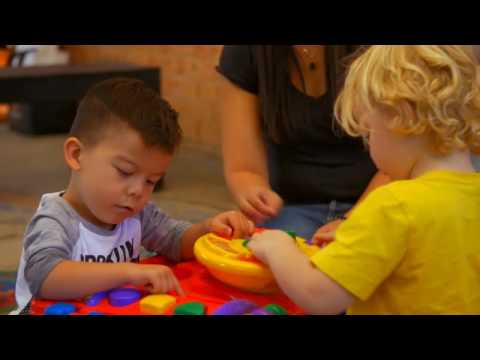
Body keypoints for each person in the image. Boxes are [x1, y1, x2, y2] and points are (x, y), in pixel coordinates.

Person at [247, 45, 480, 314]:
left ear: (399, 116)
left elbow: (319, 295)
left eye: (368, 133)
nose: (369, 147)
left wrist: (278, 248)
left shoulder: (393, 205)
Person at [12, 78, 254, 314]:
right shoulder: (56, 219)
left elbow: (175, 241)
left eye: (151, 181)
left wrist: (209, 229)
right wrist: (128, 272)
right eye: (125, 172)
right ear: (76, 155)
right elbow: (44, 277)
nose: (138, 191)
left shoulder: (137, 214)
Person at [217, 45, 389, 241]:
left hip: (377, 202)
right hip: (291, 207)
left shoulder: (384, 51)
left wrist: (351, 219)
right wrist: (255, 194)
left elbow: (403, 162)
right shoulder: (246, 51)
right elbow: (244, 169)